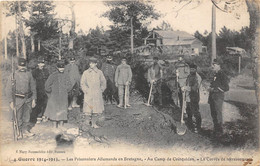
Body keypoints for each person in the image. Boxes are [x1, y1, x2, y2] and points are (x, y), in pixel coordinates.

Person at [6, 58, 37, 138]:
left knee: (27, 116)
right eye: (20, 66)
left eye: (24, 66)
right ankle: (18, 131)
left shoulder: (29, 74)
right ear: (18, 66)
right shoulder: (13, 75)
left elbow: (33, 87)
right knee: (18, 116)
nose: (22, 67)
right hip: (18, 99)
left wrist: (34, 99)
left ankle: (25, 130)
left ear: (26, 65)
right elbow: (8, 89)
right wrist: (10, 101)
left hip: (28, 99)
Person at [45, 60, 72, 129]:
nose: (61, 69)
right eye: (60, 68)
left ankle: (61, 125)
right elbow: (47, 85)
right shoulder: (53, 75)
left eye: (62, 67)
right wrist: (51, 92)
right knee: (54, 110)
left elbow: (69, 85)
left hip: (63, 96)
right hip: (54, 96)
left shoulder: (66, 75)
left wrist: (66, 90)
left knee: (63, 109)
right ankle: (54, 125)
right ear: (57, 67)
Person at [81, 57, 106, 128]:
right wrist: (85, 90)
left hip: (97, 93)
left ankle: (94, 123)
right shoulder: (85, 72)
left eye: (92, 63)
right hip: (89, 93)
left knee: (96, 109)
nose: (90, 65)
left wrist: (101, 90)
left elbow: (103, 82)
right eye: (90, 63)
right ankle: (86, 123)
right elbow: (82, 83)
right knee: (88, 108)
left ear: (96, 64)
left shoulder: (99, 72)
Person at [208, 59, 229, 136]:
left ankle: (220, 131)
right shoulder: (215, 74)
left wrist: (216, 88)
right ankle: (216, 129)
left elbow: (226, 87)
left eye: (214, 65)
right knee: (213, 113)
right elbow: (213, 84)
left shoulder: (222, 74)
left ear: (219, 66)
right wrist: (210, 88)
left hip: (218, 97)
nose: (212, 66)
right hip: (212, 97)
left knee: (217, 113)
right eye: (212, 64)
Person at [182, 63, 202, 133]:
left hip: (194, 97)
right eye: (190, 69)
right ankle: (190, 126)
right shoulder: (189, 76)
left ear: (196, 70)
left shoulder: (197, 77)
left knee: (195, 112)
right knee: (188, 112)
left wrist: (186, 88)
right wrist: (184, 88)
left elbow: (195, 88)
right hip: (188, 97)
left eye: (193, 69)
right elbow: (186, 84)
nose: (191, 70)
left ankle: (198, 127)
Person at [32, 57, 49, 124]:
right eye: (40, 63)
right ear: (38, 64)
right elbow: (32, 81)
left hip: (45, 90)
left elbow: (48, 80)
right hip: (38, 90)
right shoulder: (34, 72)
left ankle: (44, 115)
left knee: (45, 103)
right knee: (38, 103)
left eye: (43, 63)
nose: (42, 64)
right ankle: (38, 116)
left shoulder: (46, 71)